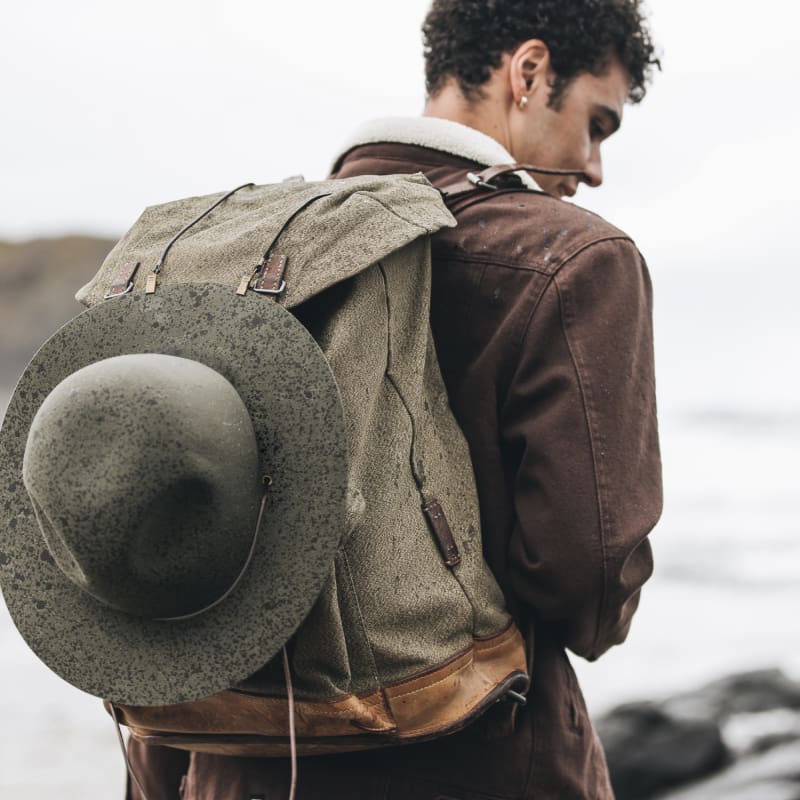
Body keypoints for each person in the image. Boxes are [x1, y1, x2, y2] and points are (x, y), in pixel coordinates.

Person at [128, 0, 662, 797]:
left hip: (228, 766)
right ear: (529, 72)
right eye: (597, 124)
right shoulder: (573, 259)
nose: (593, 167)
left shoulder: (242, 252)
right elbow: (586, 576)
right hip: (478, 757)